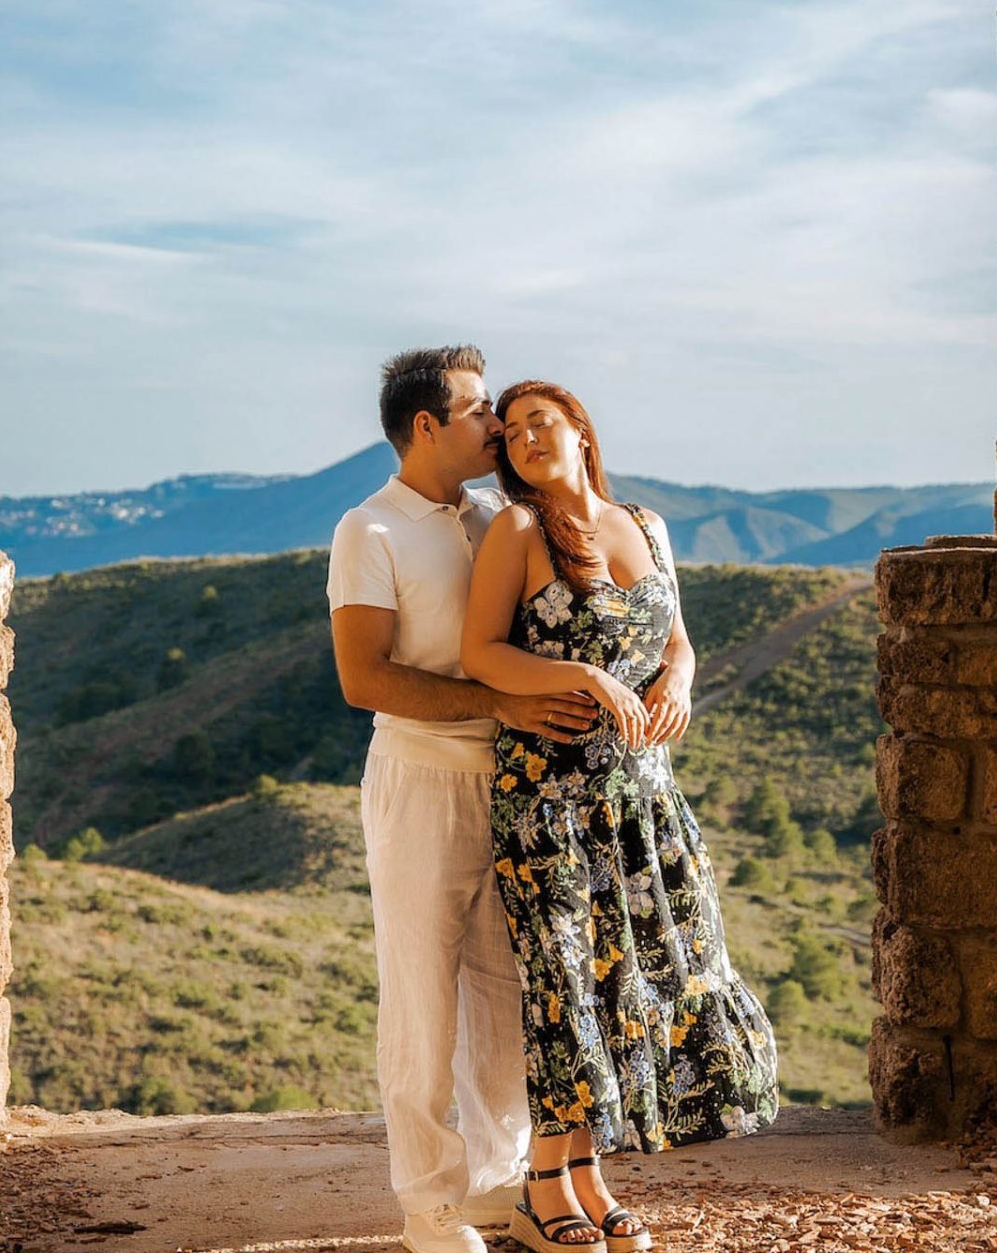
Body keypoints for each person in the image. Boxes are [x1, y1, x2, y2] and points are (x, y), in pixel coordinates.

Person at [461, 379, 780, 1253]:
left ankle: (589, 1176)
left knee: (625, 984)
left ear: (580, 433)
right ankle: (540, 1188)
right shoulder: (517, 533)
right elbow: (479, 653)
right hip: (550, 800)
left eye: (542, 424)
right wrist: (591, 679)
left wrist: (677, 680)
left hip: (642, 797)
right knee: (565, 984)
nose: (526, 439)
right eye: (512, 432)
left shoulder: (644, 525)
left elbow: (676, 636)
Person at [327, 347, 600, 1253]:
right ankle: (428, 1204)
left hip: (520, 785)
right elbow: (364, 680)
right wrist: (499, 701)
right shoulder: (367, 531)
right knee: (421, 998)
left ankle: (499, 1182)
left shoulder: (500, 519)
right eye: (481, 411)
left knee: (510, 993)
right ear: (427, 427)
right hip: (421, 781)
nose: (497, 427)